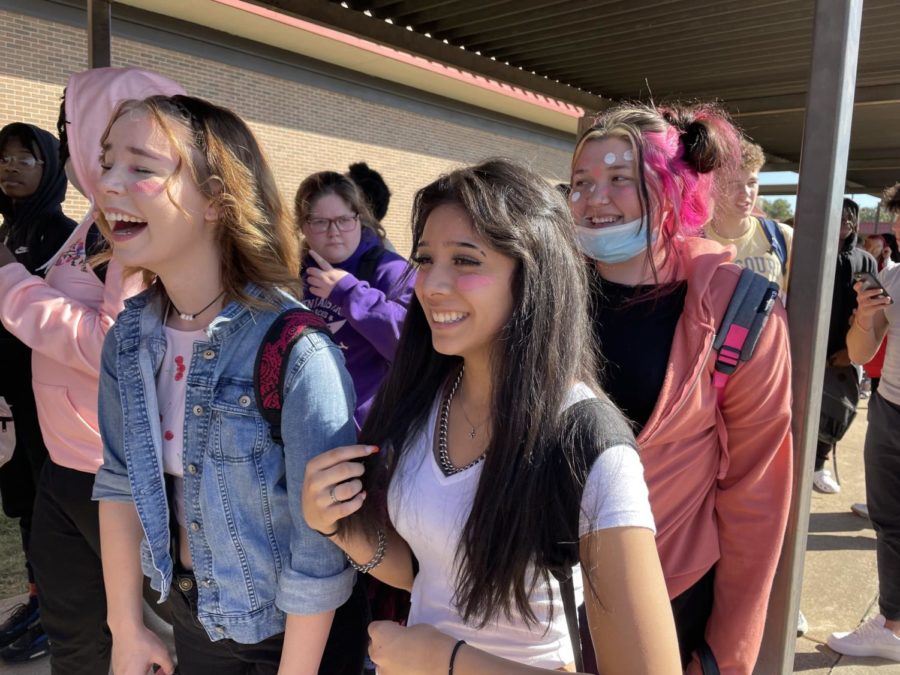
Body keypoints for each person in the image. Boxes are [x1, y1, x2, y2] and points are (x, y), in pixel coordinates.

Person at [303, 158, 681, 674]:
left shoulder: (587, 441)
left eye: (465, 260)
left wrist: (448, 661)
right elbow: (429, 573)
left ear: (533, 275)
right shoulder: (422, 402)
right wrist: (336, 525)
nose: (431, 285)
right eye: (426, 259)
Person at [90, 94, 358, 675]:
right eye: (106, 162)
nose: (107, 183)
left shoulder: (296, 349)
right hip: (197, 619)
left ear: (216, 199)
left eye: (140, 167)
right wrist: (126, 629)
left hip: (296, 639)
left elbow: (323, 541)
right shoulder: (128, 340)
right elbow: (117, 483)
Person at [570, 103, 793, 674]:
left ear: (674, 189)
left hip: (669, 593)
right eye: (581, 182)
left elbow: (756, 497)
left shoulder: (741, 314)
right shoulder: (544, 292)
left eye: (620, 178)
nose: (594, 198)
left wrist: (727, 652)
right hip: (543, 595)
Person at [0, 67, 185, 675]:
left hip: (108, 465)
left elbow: (116, 345)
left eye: (68, 121)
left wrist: (9, 281)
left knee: (142, 629)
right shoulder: (93, 217)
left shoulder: (137, 219)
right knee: (74, 626)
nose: (64, 133)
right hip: (67, 457)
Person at [0, 122, 76, 662]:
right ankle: (36, 597)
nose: (11, 167)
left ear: (50, 168)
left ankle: (58, 606)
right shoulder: (4, 231)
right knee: (23, 503)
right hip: (7, 400)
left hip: (48, 403)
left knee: (50, 507)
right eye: (4, 158)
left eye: (25, 158)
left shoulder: (64, 237)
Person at [828, 182, 900, 662]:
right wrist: (865, 318)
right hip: (890, 410)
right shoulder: (891, 281)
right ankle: (891, 627)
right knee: (890, 522)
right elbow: (861, 353)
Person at [296, 171, 413, 427]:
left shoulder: (390, 270)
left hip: (365, 434)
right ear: (304, 227)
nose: (334, 232)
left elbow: (412, 342)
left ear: (359, 219)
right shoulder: (292, 275)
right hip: (304, 429)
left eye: (343, 220)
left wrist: (348, 293)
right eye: (320, 222)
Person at [814, 198, 877, 494]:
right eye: (835, 219)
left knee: (836, 410)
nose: (841, 226)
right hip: (805, 344)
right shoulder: (807, 250)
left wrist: (850, 353)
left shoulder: (865, 261)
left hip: (842, 351)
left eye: (847, 221)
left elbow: (869, 311)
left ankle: (818, 465)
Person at [705, 137, 794, 294]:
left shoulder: (782, 236)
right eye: (733, 184)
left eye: (752, 183)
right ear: (714, 187)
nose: (745, 193)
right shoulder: (695, 241)